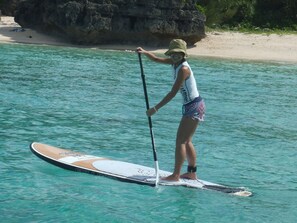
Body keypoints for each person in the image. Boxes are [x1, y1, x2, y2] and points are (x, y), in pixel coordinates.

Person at [137, 39, 205, 181]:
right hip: (192, 105)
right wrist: (144, 52)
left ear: (183, 55)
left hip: (194, 105)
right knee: (187, 140)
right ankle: (192, 173)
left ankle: (175, 175)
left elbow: (173, 93)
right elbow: (156, 59)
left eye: (178, 55)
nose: (175, 57)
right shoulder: (174, 63)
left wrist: (155, 109)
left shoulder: (184, 69)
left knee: (180, 141)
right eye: (172, 54)